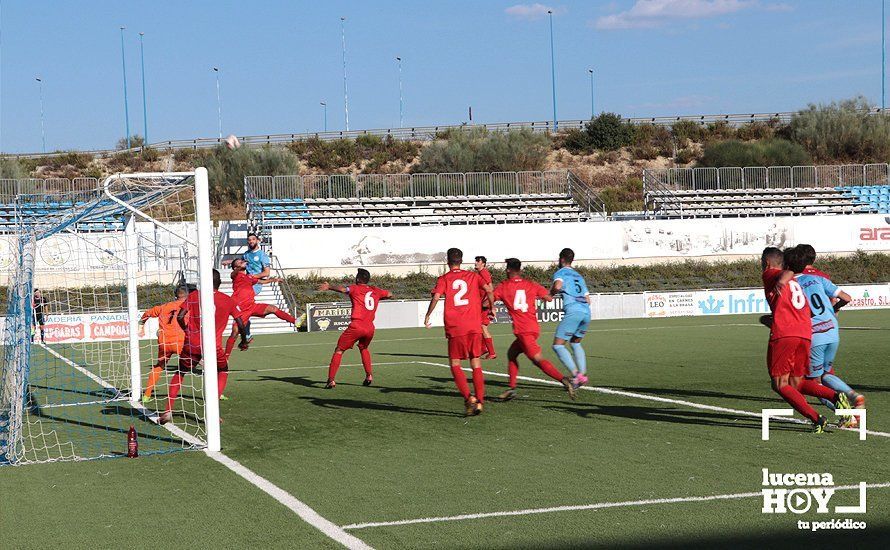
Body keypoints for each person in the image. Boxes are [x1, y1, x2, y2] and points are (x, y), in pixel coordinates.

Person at [761, 247, 847, 434]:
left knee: (779, 384)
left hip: (785, 335)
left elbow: (784, 272)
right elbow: (804, 310)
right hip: (805, 334)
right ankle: (834, 396)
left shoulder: (772, 274)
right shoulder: (795, 283)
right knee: (796, 383)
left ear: (767, 263)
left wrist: (783, 277)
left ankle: (817, 419)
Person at [159, 269, 248, 424]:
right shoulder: (228, 300)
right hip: (213, 345)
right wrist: (244, 340)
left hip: (192, 343)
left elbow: (180, 316)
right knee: (223, 370)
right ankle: (213, 412)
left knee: (181, 372)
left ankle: (168, 410)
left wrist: (187, 330)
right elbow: (240, 323)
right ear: (219, 283)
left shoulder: (194, 296)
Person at [795, 244, 865, 422]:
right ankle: (854, 396)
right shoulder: (820, 277)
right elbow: (844, 298)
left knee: (815, 385)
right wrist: (833, 310)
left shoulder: (794, 283)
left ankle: (845, 414)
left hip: (815, 334)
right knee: (827, 374)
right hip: (832, 330)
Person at [424, 247, 496, 416]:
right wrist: (492, 307)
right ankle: (480, 401)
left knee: (455, 364)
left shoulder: (444, 279)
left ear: (447, 261)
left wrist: (428, 315)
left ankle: (468, 398)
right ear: (461, 261)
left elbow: (436, 297)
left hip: (456, 326)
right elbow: (489, 290)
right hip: (473, 324)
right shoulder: (473, 276)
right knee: (475, 362)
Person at [492, 258, 576, 401]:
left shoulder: (503, 286)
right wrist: (554, 290)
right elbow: (549, 298)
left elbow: (489, 299)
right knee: (512, 354)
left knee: (537, 360)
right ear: (520, 270)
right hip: (533, 328)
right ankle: (511, 388)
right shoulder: (530, 284)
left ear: (508, 270)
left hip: (523, 331)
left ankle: (564, 380)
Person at [318, 269, 392, 388]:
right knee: (364, 348)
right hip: (370, 327)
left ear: (358, 279)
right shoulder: (375, 290)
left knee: (339, 350)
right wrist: (379, 296)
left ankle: (331, 380)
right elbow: (389, 294)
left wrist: (329, 286)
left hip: (357, 326)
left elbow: (343, 289)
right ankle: (369, 376)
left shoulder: (355, 288)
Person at [224, 258, 297, 358]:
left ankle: (295, 321)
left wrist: (274, 280)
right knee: (235, 332)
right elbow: (232, 274)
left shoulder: (249, 277)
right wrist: (239, 268)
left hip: (252, 306)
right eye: (239, 263)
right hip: (241, 309)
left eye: (242, 261)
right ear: (236, 267)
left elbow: (261, 282)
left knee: (273, 308)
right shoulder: (236, 275)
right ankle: (225, 357)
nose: (242, 262)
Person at [138, 285, 188, 404]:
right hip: (180, 343)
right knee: (204, 362)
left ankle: (147, 395)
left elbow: (146, 315)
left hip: (164, 343)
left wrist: (141, 327)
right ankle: (217, 391)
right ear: (187, 295)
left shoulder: (164, 307)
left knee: (159, 366)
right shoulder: (189, 306)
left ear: (175, 295)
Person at [550, 248, 592, 388]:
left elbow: (557, 285)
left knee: (558, 345)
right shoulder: (578, 276)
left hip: (574, 311)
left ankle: (576, 376)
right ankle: (583, 375)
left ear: (561, 259)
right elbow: (588, 299)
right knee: (575, 342)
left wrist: (551, 293)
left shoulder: (560, 272)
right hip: (586, 312)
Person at [474, 256, 497, 360]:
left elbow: (490, 289)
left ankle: (491, 352)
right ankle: (484, 349)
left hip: (483, 306)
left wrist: (488, 304)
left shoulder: (484, 273)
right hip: (480, 305)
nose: (475, 263)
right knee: (479, 328)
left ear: (483, 263)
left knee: (482, 327)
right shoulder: (480, 273)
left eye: (477, 261)